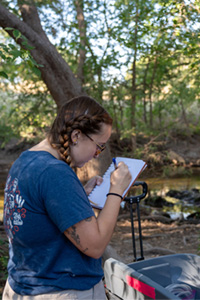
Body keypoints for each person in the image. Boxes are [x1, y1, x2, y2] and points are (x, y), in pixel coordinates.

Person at [2, 96, 132, 299]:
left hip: (22, 287)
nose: (98, 154)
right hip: (61, 291)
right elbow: (95, 246)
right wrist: (116, 191)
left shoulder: (26, 160)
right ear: (76, 135)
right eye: (99, 145)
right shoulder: (55, 173)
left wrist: (79, 194)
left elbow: (40, 216)